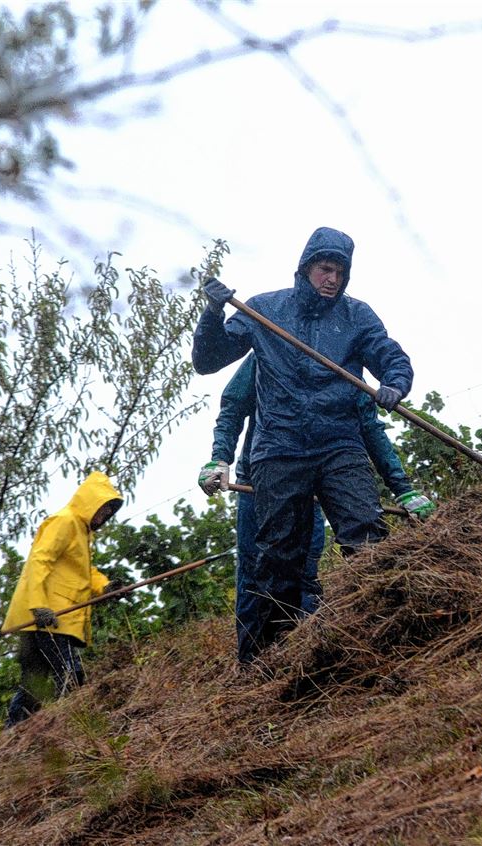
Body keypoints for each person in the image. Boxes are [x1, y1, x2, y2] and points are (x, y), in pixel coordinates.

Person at [193, 225, 414, 664]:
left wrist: (395, 382)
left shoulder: (357, 317)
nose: (331, 279)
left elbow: (388, 353)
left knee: (366, 535)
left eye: (339, 272)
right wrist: (212, 313)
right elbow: (208, 361)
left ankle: (386, 636)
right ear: (306, 268)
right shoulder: (264, 311)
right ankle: (278, 658)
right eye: (325, 269)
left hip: (339, 447)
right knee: (280, 557)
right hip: (278, 451)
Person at [197, 352, 435, 661]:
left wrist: (402, 489)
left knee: (306, 568)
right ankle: (257, 665)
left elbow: (368, 425)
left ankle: (311, 654)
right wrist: (219, 457)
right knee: (262, 568)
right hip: (265, 479)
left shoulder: (343, 356)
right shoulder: (272, 345)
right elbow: (233, 404)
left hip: (317, 480)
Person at [2, 471, 124, 727]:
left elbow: (83, 573)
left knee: (34, 683)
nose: (105, 517)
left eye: (109, 514)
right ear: (92, 502)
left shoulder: (81, 532)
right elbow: (40, 559)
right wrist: (38, 605)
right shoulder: (65, 522)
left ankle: (11, 738)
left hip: (47, 618)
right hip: (48, 617)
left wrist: (105, 587)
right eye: (103, 510)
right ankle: (68, 728)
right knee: (70, 674)